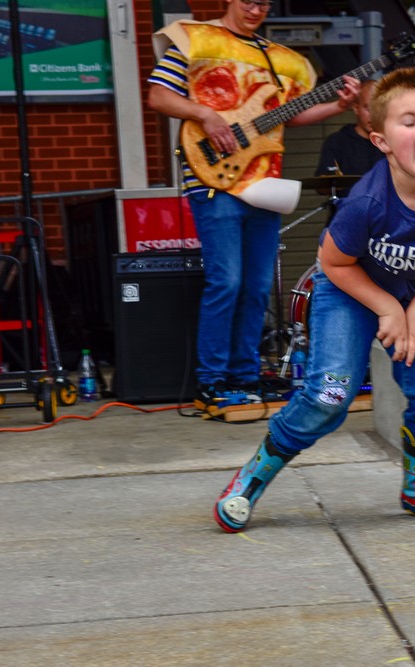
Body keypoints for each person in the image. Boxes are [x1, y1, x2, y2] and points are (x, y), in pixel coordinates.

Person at [212, 67, 415, 533]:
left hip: (410, 293)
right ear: (380, 141)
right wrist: (388, 308)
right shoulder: (368, 202)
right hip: (347, 290)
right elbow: (332, 263)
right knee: (329, 398)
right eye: (410, 121)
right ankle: (250, 479)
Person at [146, 0, 360, 406]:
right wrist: (205, 115)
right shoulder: (197, 38)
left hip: (262, 180)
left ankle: (244, 376)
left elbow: (287, 115)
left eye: (264, 2)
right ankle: (212, 379)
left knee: (258, 285)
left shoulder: (277, 57)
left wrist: (339, 106)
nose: (256, 9)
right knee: (226, 280)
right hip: (212, 177)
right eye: (249, 0)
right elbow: (158, 97)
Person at [314, 78, 384, 182]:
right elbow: (322, 186)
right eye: (368, 108)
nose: (374, 115)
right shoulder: (337, 141)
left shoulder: (392, 141)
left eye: (379, 108)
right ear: (356, 108)